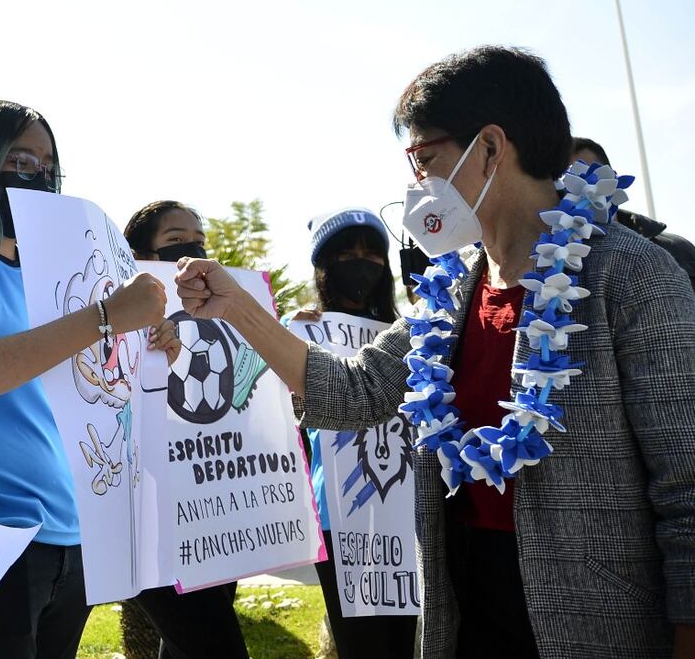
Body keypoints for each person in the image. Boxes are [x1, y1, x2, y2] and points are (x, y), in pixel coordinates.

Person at [172, 46, 695, 658]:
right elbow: (353, 392)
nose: (417, 182)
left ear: (492, 149)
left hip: (597, 626)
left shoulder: (633, 277)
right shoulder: (451, 288)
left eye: (425, 157)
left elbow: (687, 491)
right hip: (466, 606)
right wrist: (235, 307)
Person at [0, 100, 180, 658]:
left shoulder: (52, 277)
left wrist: (149, 349)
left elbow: (90, 377)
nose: (39, 174)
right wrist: (103, 318)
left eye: (48, 163)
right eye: (20, 158)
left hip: (72, 534)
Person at [284, 207, 415, 659]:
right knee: (360, 644)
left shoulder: (410, 331)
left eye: (372, 252)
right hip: (339, 516)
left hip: (409, 513)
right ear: (325, 266)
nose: (362, 262)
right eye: (347, 253)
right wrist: (293, 337)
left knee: (405, 641)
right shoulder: (302, 334)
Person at [121, 200, 249, 659]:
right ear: (138, 252)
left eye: (198, 240)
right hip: (152, 518)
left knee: (186, 645)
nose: (191, 250)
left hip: (211, 510)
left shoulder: (227, 311)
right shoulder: (109, 315)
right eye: (175, 241)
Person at [570, 137, 695, 287]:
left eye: (590, 177)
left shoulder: (678, 248)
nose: (584, 190)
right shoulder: (556, 268)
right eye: (570, 183)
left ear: (612, 179)